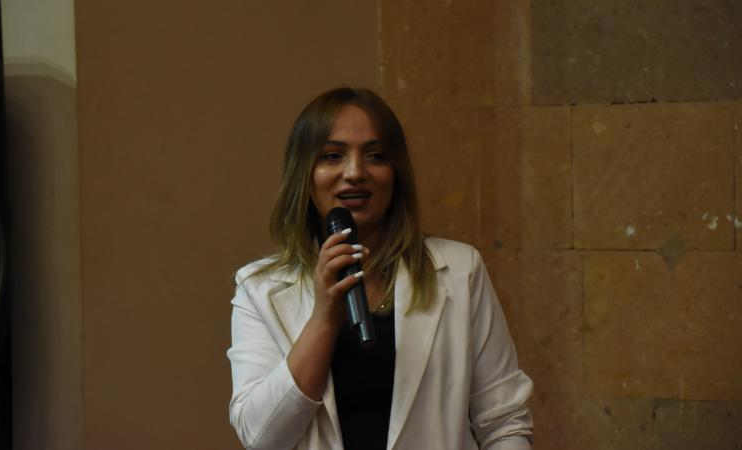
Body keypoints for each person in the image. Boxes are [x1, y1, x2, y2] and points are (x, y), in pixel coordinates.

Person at [227, 87, 533, 450]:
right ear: (304, 175)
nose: (355, 172)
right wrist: (324, 317)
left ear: (395, 173)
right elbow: (261, 437)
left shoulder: (460, 269)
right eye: (333, 155)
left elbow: (504, 422)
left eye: (375, 156)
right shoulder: (259, 288)